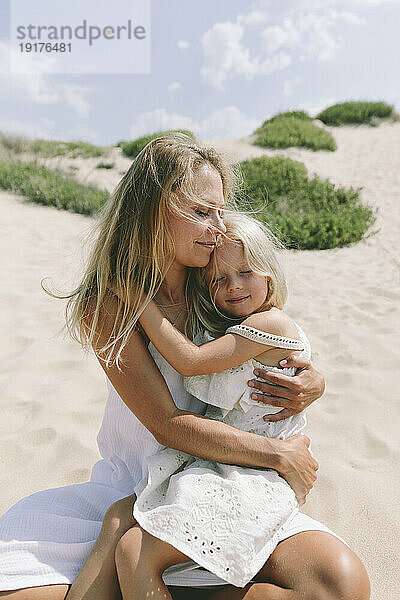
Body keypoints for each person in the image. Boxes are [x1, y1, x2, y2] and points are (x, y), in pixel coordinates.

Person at [0, 134, 370, 600]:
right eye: (200, 211)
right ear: (154, 209)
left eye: (219, 211)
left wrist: (311, 379)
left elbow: (273, 336)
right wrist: (277, 454)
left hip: (223, 480)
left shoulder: (215, 285)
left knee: (341, 583)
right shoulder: (111, 303)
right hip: (138, 484)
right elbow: (167, 426)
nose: (217, 226)